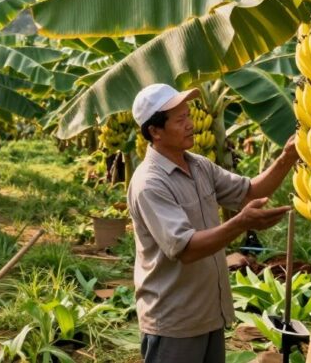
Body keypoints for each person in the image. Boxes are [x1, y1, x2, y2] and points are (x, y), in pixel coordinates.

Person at [127, 83, 299, 363]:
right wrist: (241, 223)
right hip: (174, 321)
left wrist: (286, 158)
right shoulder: (149, 183)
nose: (191, 125)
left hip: (209, 314)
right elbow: (186, 249)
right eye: (180, 120)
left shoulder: (199, 165)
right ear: (155, 131)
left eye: (189, 116)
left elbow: (250, 191)